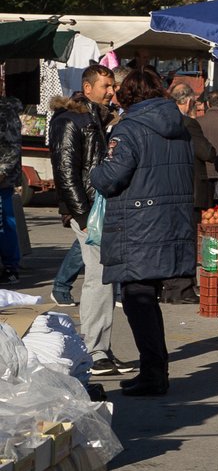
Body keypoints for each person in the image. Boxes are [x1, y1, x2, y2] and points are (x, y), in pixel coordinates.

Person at [91, 68, 198, 396]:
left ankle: (154, 373)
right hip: (170, 220)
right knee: (146, 296)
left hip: (138, 224)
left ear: (129, 96)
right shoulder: (179, 128)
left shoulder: (130, 129)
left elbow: (111, 178)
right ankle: (155, 369)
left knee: (138, 296)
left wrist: (95, 171)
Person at [47, 65, 131, 374]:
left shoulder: (97, 118)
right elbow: (65, 173)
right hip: (87, 210)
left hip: (99, 207)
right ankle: (95, 351)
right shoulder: (70, 121)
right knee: (98, 277)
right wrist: (82, 217)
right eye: (106, 86)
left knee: (104, 276)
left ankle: (101, 348)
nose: (112, 91)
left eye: (112, 86)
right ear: (87, 87)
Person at [163, 81, 215, 303]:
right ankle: (182, 289)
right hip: (189, 189)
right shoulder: (188, 123)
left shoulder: (163, 121)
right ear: (187, 101)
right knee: (186, 239)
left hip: (167, 188)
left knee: (171, 238)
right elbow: (205, 152)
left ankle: (169, 287)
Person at [0, 66, 23, 285]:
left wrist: (2, 172)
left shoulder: (5, 110)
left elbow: (12, 146)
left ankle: (10, 266)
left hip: (2, 179)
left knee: (5, 224)